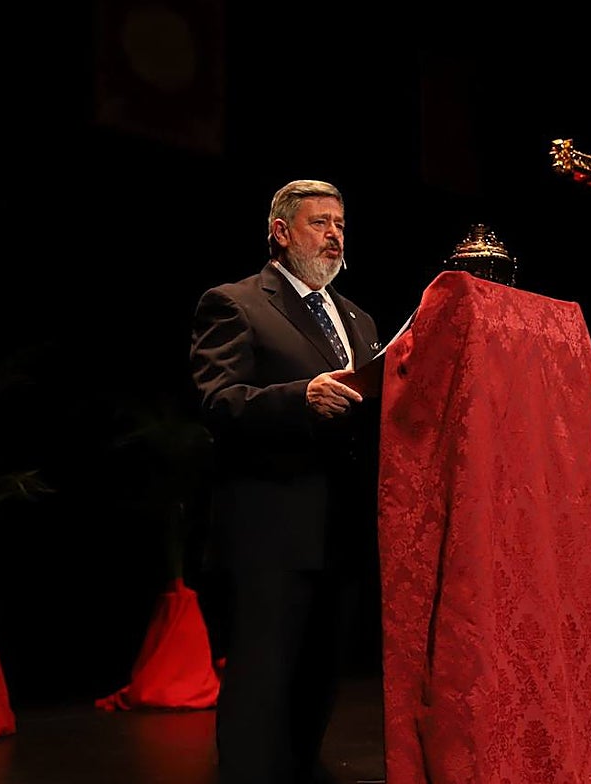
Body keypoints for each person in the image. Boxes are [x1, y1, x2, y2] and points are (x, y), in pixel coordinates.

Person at [189, 179, 382, 784]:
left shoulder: (358, 318)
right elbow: (218, 402)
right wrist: (300, 397)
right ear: (281, 232)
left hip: (342, 531)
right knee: (262, 681)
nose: (334, 237)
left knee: (319, 679)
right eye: (320, 223)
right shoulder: (235, 302)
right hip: (270, 530)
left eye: (341, 225)